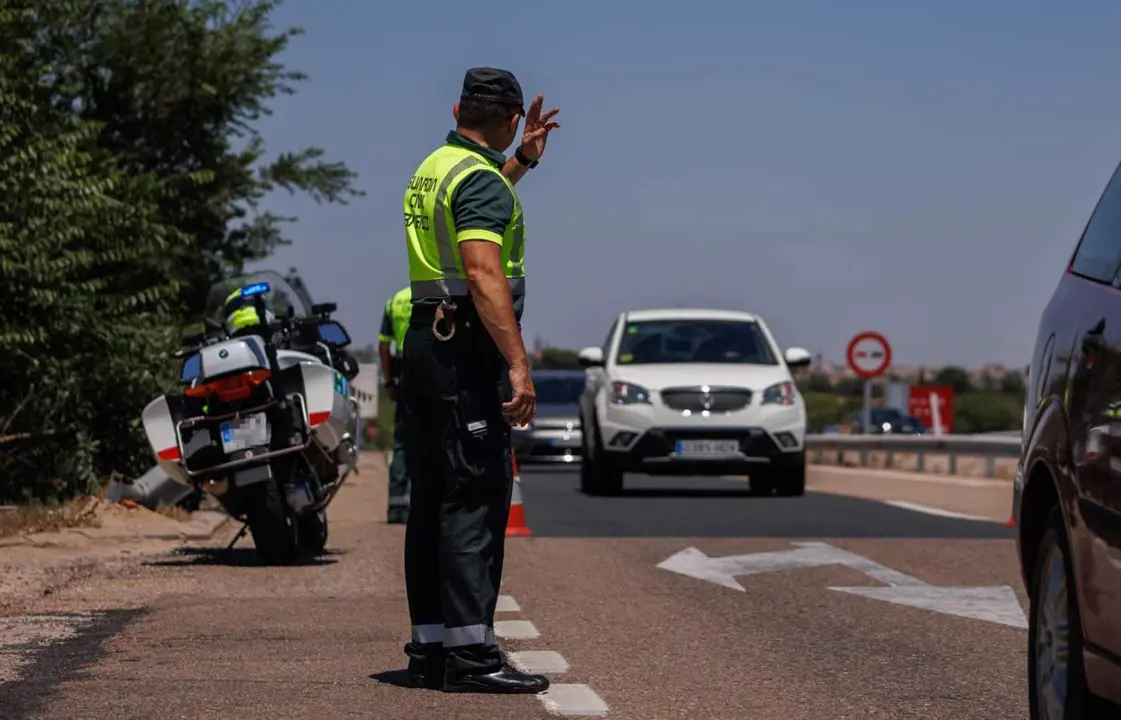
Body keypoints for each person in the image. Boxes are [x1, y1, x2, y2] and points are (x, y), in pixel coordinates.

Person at [399, 66, 559, 694]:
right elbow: (483, 272)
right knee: (475, 496)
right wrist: (517, 364)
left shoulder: (437, 166)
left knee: (434, 497)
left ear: (458, 106)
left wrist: (520, 162)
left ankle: (433, 650)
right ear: (514, 116)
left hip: (426, 345)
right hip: (465, 351)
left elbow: (473, 203)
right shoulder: (479, 183)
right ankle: (472, 659)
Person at [378, 285, 413, 524]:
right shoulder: (436, 294)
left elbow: (383, 345)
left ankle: (396, 507)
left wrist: (389, 381)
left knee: (402, 443)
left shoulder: (395, 300)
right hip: (430, 370)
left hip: (403, 374)